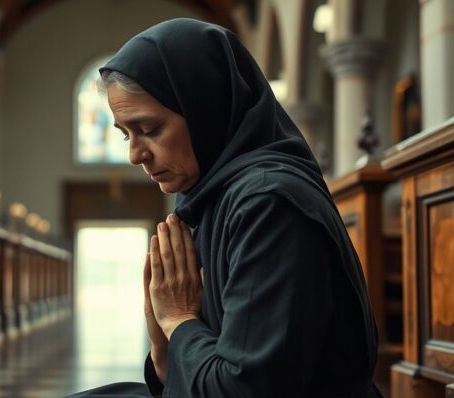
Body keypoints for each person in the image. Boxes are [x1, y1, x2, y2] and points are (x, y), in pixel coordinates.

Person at [67, 18, 380, 397]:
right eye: (125, 134)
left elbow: (242, 391)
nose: (135, 154)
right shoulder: (211, 196)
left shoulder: (269, 204)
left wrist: (179, 321)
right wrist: (164, 348)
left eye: (149, 129)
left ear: (206, 109)